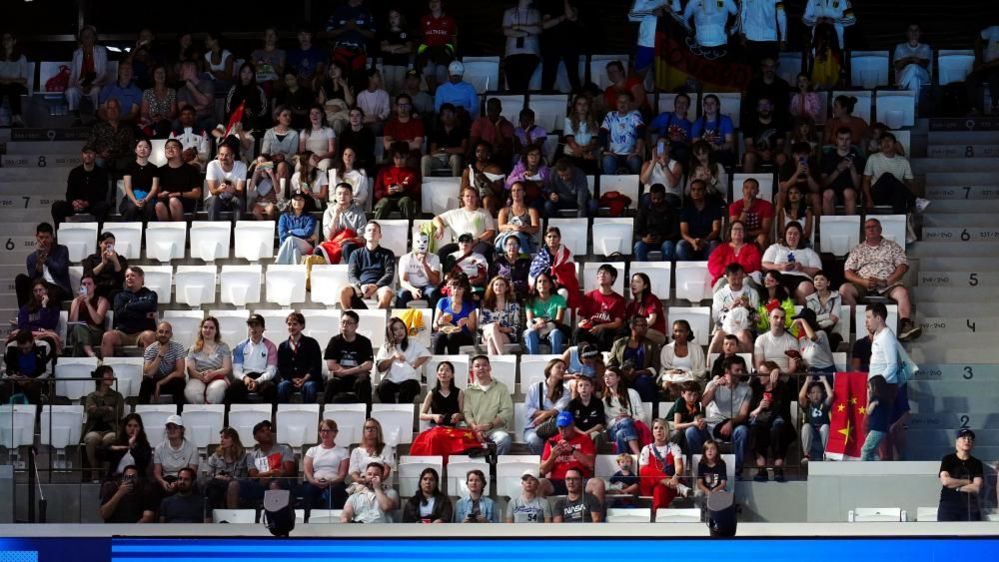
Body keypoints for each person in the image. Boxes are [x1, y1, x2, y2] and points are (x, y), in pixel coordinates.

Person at [839, 219, 921, 341]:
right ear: (864, 231)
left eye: (874, 226)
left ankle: (905, 325)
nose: (871, 229)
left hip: (887, 283)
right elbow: (847, 272)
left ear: (880, 229)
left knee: (902, 293)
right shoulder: (858, 249)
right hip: (864, 283)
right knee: (844, 290)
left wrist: (887, 281)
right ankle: (860, 323)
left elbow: (903, 266)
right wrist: (863, 282)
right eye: (868, 227)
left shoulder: (892, 246)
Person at [688, 356, 752, 477]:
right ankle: (700, 470)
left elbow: (743, 414)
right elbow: (704, 403)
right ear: (727, 371)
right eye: (737, 370)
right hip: (711, 428)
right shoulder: (713, 384)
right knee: (691, 431)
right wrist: (715, 386)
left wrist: (731, 423)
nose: (740, 373)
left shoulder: (747, 388)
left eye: (742, 370)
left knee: (743, 431)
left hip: (733, 427)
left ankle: (736, 472)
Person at [859, 303, 903, 460]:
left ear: (879, 317)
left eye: (869, 317)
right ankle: (876, 462)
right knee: (871, 427)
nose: (867, 321)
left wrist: (877, 388)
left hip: (882, 390)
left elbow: (892, 365)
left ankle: (879, 462)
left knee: (876, 427)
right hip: (876, 388)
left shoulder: (887, 337)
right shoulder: (878, 335)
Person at [747, 360, 795, 482]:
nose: (759, 376)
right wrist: (760, 407)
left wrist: (779, 373)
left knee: (778, 427)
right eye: (759, 373)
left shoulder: (782, 387)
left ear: (772, 374)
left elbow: (783, 412)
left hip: (778, 422)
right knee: (755, 428)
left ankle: (778, 468)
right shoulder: (756, 385)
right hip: (760, 422)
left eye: (763, 373)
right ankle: (761, 469)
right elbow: (751, 413)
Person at [232, 420, 297, 508]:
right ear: (256, 437)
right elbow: (253, 475)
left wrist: (267, 475)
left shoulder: (284, 449)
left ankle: (275, 517)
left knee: (274, 484)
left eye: (268, 430)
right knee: (234, 485)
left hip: (280, 482)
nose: (267, 432)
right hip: (259, 484)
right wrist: (273, 472)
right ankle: (233, 517)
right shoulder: (252, 455)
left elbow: (289, 471)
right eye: (262, 431)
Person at [463, 355, 515, 455]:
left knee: (504, 440)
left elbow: (506, 412)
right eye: (477, 366)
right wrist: (477, 429)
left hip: (495, 430)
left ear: (490, 368)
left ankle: (495, 468)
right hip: (473, 431)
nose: (481, 368)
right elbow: (467, 413)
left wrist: (489, 425)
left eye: (484, 365)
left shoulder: (501, 388)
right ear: (472, 369)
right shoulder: (468, 391)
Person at [340, 222, 396, 309]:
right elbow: (352, 274)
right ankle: (350, 317)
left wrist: (376, 286)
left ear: (380, 235)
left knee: (387, 293)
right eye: (369, 230)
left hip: (379, 287)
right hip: (360, 286)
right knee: (343, 291)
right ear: (365, 235)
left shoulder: (388, 254)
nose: (372, 232)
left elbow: (389, 274)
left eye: (375, 230)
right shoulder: (356, 254)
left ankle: (378, 319)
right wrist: (360, 285)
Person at [323, 310, 374, 405]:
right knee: (331, 383)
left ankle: (367, 416)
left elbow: (368, 364)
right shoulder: (334, 341)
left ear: (356, 326)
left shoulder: (364, 342)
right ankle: (326, 416)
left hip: (357, 378)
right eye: (343, 322)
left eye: (349, 323)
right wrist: (347, 372)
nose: (345, 325)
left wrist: (347, 372)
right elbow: (330, 364)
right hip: (340, 379)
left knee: (363, 383)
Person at [761, 221, 821, 302]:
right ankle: (778, 313)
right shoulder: (775, 248)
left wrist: (802, 268)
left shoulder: (808, 252)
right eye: (789, 233)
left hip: (801, 278)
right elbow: (764, 265)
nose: (792, 236)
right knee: (778, 288)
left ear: (800, 236)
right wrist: (780, 267)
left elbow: (818, 271)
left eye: (796, 234)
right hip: (780, 277)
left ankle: (803, 313)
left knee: (806, 287)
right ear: (785, 235)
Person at [83, 365, 125, 480]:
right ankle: (95, 471)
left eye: (112, 374)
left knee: (110, 439)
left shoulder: (117, 396)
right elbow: (91, 413)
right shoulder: (91, 396)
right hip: (95, 429)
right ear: (100, 377)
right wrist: (107, 409)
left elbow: (117, 414)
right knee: (91, 439)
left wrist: (98, 410)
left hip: (111, 429)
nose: (111, 377)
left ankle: (107, 472)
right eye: (108, 374)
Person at [376, 317, 431, 404]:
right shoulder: (385, 347)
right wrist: (393, 357)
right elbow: (380, 368)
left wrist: (414, 366)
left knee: (408, 388)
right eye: (396, 329)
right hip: (390, 380)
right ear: (390, 332)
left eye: (401, 328)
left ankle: (404, 414)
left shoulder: (413, 343)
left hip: (409, 380)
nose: (400, 331)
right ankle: (391, 412)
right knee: (383, 387)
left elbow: (425, 355)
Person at [52, 145, 110, 226]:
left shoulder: (101, 173)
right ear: (82, 155)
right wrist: (74, 202)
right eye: (85, 153)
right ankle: (59, 235)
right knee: (57, 206)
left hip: (92, 205)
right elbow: (69, 193)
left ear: (95, 155)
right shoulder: (74, 172)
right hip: (75, 205)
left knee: (103, 206)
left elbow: (102, 194)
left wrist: (87, 203)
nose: (88, 156)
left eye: (90, 153)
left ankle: (99, 236)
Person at [433, 186, 497, 260]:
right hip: (459, 244)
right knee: (441, 253)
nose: (470, 198)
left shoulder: (484, 213)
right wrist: (440, 226)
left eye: (472, 196)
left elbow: (490, 231)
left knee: (480, 253)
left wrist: (477, 240)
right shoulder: (455, 213)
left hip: (477, 243)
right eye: (467, 196)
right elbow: (436, 218)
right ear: (463, 198)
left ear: (476, 198)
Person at [228, 314, 279, 404]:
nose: (253, 328)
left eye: (257, 325)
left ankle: (270, 416)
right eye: (251, 325)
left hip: (262, 377)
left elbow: (271, 371)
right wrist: (245, 378)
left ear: (263, 329)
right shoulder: (240, 346)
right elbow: (236, 370)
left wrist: (258, 381)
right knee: (233, 387)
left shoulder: (271, 346)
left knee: (270, 388)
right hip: (245, 377)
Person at [608, 315, 662, 402]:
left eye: (646, 325)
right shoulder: (619, 343)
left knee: (643, 381)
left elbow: (655, 367)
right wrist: (620, 372)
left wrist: (637, 373)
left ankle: (647, 410)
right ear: (632, 326)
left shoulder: (651, 345)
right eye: (642, 325)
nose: (645, 328)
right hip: (621, 375)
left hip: (641, 375)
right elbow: (611, 363)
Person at [301, 419, 350, 514]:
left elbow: (342, 475)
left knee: (335, 491)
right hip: (315, 482)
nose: (325, 433)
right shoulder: (312, 450)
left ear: (334, 433)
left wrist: (329, 482)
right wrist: (314, 481)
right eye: (322, 430)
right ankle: (308, 518)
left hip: (335, 483)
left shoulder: (343, 451)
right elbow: (308, 472)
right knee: (308, 490)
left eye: (328, 431)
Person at [573, 264, 626, 351]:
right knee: (578, 332)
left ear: (613, 278)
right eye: (600, 273)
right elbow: (581, 320)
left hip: (606, 330)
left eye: (606, 273)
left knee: (604, 332)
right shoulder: (588, 297)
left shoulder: (619, 300)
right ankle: (580, 357)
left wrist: (601, 326)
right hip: (590, 328)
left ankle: (602, 360)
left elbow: (618, 323)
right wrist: (582, 323)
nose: (602, 275)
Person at [862, 132, 917, 214]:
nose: (886, 143)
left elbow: (911, 183)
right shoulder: (873, 158)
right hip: (877, 194)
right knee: (887, 176)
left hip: (894, 195)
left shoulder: (903, 161)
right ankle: (915, 200)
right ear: (880, 144)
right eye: (883, 141)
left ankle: (901, 221)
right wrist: (868, 199)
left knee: (899, 192)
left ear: (895, 144)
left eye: (889, 140)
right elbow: (866, 181)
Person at [639, 418, 687, 510]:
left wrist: (675, 478)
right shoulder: (646, 449)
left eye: (662, 428)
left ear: (666, 430)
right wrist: (668, 481)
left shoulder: (674, 447)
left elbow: (679, 467)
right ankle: (678, 487)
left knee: (660, 488)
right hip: (650, 486)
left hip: (672, 485)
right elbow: (642, 473)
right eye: (656, 428)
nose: (658, 430)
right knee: (644, 470)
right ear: (652, 431)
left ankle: (658, 516)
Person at [937, 429, 984, 521]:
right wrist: (967, 481)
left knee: (973, 534)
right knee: (946, 534)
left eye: (970, 438)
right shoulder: (948, 459)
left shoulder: (976, 463)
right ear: (957, 441)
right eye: (964, 438)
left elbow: (977, 487)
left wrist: (957, 488)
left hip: (970, 506)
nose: (967, 440)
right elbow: (945, 481)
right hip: (948, 505)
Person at [183, 317, 232, 405]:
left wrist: (212, 374)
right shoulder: (194, 348)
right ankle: (201, 413)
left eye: (211, 328)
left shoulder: (223, 347)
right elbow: (191, 370)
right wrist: (201, 376)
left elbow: (226, 368)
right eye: (205, 327)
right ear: (201, 329)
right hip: (198, 377)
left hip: (217, 376)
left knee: (215, 392)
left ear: (216, 330)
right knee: (192, 393)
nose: (207, 330)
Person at [276, 312, 323, 404]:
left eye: (295, 324)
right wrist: (292, 378)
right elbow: (281, 367)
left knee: (310, 387)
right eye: (289, 324)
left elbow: (316, 365)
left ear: (302, 326)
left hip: (308, 379)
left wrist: (305, 379)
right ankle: (283, 415)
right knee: (282, 387)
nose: (291, 327)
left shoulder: (312, 343)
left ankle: (309, 415)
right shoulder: (283, 346)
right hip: (290, 380)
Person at [529, 226, 581, 308]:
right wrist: (549, 282)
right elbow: (535, 272)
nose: (552, 239)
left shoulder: (566, 255)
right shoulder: (540, 255)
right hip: (543, 284)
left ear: (559, 239)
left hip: (561, 286)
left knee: (562, 293)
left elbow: (569, 273)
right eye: (549, 236)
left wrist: (558, 280)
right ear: (545, 238)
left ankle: (556, 319)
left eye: (555, 236)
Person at [65, 26, 109, 120]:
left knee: (96, 90)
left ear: (94, 37)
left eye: (90, 35)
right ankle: (76, 114)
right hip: (80, 85)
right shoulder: (77, 53)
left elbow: (104, 73)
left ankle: (97, 113)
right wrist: (69, 86)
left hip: (96, 83)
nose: (87, 38)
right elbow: (73, 74)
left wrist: (91, 85)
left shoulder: (101, 51)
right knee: (70, 92)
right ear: (81, 38)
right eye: (84, 36)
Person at [136, 322, 185, 405]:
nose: (163, 334)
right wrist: (160, 355)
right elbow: (149, 373)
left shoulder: (178, 347)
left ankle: (179, 414)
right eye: (161, 331)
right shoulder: (150, 349)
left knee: (179, 382)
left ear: (171, 334)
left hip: (170, 381)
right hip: (154, 380)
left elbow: (180, 372)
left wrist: (160, 383)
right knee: (146, 382)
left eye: (167, 332)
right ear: (156, 333)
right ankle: (142, 414)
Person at [318, 182, 367, 265]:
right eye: (339, 194)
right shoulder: (329, 212)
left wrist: (348, 240)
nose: (342, 196)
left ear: (351, 196)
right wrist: (335, 216)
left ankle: (352, 274)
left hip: (352, 243)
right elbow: (328, 236)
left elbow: (362, 238)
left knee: (347, 247)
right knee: (318, 250)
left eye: (346, 194)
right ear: (335, 196)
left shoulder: (358, 212)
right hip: (333, 244)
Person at [202, 426, 248, 512]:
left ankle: (230, 517)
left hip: (235, 486)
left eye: (226, 438)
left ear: (234, 440)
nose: (222, 440)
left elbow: (244, 478)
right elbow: (208, 476)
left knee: (229, 489)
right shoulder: (215, 456)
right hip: (217, 485)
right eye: (221, 437)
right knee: (213, 490)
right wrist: (217, 476)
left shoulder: (243, 457)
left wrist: (229, 479)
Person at [154, 139, 202, 221]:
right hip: (166, 199)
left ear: (180, 151)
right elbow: (156, 193)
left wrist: (179, 194)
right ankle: (166, 232)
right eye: (167, 148)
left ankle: (180, 231)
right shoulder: (160, 171)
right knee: (159, 205)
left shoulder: (191, 170)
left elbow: (197, 193)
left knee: (173, 201)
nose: (170, 149)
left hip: (185, 200)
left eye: (173, 147)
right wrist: (161, 195)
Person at [820, 126, 863, 216]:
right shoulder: (828, 157)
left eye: (847, 139)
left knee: (848, 192)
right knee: (827, 193)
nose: (844, 142)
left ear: (851, 140)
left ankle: (851, 228)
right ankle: (829, 228)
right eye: (841, 139)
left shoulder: (857, 157)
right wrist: (838, 170)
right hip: (833, 193)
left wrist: (852, 169)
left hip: (851, 193)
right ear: (836, 140)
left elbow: (857, 186)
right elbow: (823, 184)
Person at [152, 415, 198, 497]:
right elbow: (157, 472)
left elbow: (192, 472)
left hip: (184, 479)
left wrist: (177, 482)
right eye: (169, 428)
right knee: (153, 488)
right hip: (166, 479)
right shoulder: (159, 448)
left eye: (175, 427)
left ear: (182, 430)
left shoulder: (192, 448)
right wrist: (162, 482)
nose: (172, 430)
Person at [602, 368, 646, 454]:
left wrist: (630, 417)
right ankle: (638, 454)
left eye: (611, 375)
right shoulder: (604, 401)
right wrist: (616, 420)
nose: (607, 378)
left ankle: (622, 461)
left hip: (632, 427)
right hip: (613, 430)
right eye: (605, 376)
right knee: (624, 423)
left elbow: (643, 417)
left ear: (618, 378)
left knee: (621, 434)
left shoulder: (632, 393)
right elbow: (606, 425)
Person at [600, 92, 645, 175]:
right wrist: (604, 151)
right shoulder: (611, 115)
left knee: (636, 162)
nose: (622, 104)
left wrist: (637, 150)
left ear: (630, 103)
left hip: (630, 154)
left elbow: (641, 131)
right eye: (620, 102)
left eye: (625, 102)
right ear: (616, 103)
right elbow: (602, 132)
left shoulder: (634, 114)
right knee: (607, 161)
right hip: (614, 154)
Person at [523, 271, 568, 355]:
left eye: (545, 281)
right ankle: (533, 362)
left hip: (553, 328)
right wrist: (537, 323)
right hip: (537, 329)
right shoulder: (530, 301)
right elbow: (530, 321)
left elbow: (559, 320)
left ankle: (555, 363)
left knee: (555, 333)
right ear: (536, 286)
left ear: (551, 285)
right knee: (530, 333)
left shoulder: (559, 299)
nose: (542, 284)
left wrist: (543, 321)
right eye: (539, 281)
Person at [677, 179, 723, 261]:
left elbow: (716, 231)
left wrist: (704, 240)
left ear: (705, 191)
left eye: (699, 189)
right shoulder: (686, 208)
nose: (696, 192)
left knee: (714, 245)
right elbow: (684, 232)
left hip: (708, 240)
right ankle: (688, 270)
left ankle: (710, 270)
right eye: (693, 189)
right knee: (680, 246)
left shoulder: (714, 207)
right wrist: (693, 241)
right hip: (691, 242)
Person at [741, 94, 788, 173]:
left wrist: (770, 153)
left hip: (774, 154)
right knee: (748, 157)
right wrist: (761, 153)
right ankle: (748, 183)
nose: (764, 108)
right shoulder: (750, 123)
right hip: (756, 154)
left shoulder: (779, 123)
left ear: (772, 107)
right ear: (757, 108)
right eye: (761, 105)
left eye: (767, 105)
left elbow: (780, 145)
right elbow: (749, 146)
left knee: (782, 157)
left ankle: (784, 184)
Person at [419, 0, 459, 94]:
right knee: (429, 74)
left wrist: (454, 55)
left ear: (441, 3)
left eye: (436, 1)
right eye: (431, 2)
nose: (433, 4)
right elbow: (421, 38)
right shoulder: (424, 19)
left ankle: (440, 96)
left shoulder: (450, 20)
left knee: (441, 74)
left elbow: (454, 39)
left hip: (443, 51)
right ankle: (433, 96)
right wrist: (420, 53)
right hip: (428, 52)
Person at [502, 0, 542, 92]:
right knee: (513, 84)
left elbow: (538, 29)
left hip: (531, 52)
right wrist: (527, 33)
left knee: (528, 83)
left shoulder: (535, 12)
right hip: (512, 53)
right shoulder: (509, 12)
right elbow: (506, 31)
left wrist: (518, 27)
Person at [461, 138, 508, 217]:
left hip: (492, 198)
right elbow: (463, 190)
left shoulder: (495, 169)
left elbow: (499, 191)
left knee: (487, 200)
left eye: (483, 151)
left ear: (489, 154)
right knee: (469, 199)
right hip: (473, 197)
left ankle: (488, 225)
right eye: (478, 151)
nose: (480, 154)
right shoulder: (469, 170)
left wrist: (486, 180)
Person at [432, 273, 478, 354]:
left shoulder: (470, 304)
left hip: (464, 336)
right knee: (439, 336)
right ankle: (439, 361)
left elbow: (472, 329)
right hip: (445, 332)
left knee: (453, 336)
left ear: (464, 289)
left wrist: (467, 321)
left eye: (459, 288)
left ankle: (453, 362)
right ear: (451, 288)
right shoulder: (443, 302)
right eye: (454, 288)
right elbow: (435, 326)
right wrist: (440, 322)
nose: (456, 291)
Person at [634, 184, 681, 261]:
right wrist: (644, 239)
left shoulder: (672, 211)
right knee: (638, 246)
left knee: (668, 246)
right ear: (650, 197)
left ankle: (667, 270)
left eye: (659, 198)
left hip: (664, 240)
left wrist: (662, 238)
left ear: (664, 196)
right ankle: (642, 271)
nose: (656, 201)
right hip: (647, 241)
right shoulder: (643, 210)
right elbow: (636, 232)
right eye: (654, 198)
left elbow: (676, 232)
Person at [660, 321, 707, 397]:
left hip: (691, 378)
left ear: (687, 332)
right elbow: (663, 371)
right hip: (673, 378)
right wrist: (673, 372)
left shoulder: (697, 348)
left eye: (681, 331)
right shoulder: (666, 349)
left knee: (687, 386)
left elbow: (701, 371)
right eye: (675, 331)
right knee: (668, 384)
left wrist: (687, 373)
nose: (678, 334)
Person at [373, 144, 420, 220]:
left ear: (407, 157)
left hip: (404, 199)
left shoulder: (413, 173)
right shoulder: (384, 171)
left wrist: (404, 190)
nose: (399, 161)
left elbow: (417, 194)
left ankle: (409, 229)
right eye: (396, 158)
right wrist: (387, 192)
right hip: (387, 198)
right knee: (384, 202)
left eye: (402, 157)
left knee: (405, 201)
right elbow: (377, 193)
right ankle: (375, 228)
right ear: (393, 158)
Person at [396, 232, 442, 308]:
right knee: (401, 295)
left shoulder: (434, 258)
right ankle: (399, 319)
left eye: (424, 242)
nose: (421, 244)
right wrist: (413, 290)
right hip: (410, 286)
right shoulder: (405, 258)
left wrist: (424, 264)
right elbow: (403, 281)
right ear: (413, 243)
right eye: (418, 241)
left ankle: (434, 319)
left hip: (427, 286)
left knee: (433, 293)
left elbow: (435, 281)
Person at [496, 180, 542, 255]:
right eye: (513, 190)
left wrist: (523, 229)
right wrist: (513, 227)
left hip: (526, 240)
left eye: (518, 190)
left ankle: (523, 258)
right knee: (514, 237)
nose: (516, 193)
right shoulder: (504, 211)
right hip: (507, 239)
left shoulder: (531, 211)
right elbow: (500, 227)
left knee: (519, 236)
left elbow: (536, 228)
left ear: (524, 193)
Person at [119, 138, 160, 222]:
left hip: (148, 198)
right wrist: (135, 201)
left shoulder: (154, 168)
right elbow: (128, 187)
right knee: (131, 207)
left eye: (146, 147)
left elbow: (154, 188)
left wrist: (145, 200)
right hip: (132, 198)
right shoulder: (129, 166)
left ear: (150, 150)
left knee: (149, 208)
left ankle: (146, 233)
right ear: (135, 150)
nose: (142, 149)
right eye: (140, 146)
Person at [13, 280, 61, 353]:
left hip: (46, 336)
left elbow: (49, 325)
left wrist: (44, 306)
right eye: (35, 291)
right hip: (28, 334)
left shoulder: (53, 308)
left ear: (46, 291)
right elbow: (22, 326)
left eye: (40, 290)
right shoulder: (25, 308)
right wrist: (39, 329)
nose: (38, 293)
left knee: (51, 339)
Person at [67, 275, 109, 358]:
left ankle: (77, 363)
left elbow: (98, 321)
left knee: (78, 340)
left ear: (95, 286)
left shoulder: (102, 301)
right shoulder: (76, 301)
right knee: (77, 328)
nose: (86, 286)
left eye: (89, 284)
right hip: (78, 331)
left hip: (95, 332)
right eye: (84, 284)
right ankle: (91, 354)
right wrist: (78, 304)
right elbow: (72, 323)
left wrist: (88, 304)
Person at [422, 103, 468, 177]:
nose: (447, 117)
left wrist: (443, 149)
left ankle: (456, 185)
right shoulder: (436, 132)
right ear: (441, 117)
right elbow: (433, 152)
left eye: (449, 113)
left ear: (455, 115)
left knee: (455, 158)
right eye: (444, 114)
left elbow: (462, 150)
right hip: (438, 160)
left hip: (454, 160)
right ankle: (426, 185)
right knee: (425, 159)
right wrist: (452, 150)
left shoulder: (462, 131)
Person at [479, 276, 522, 355]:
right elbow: (481, 325)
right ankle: (502, 356)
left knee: (491, 339)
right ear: (492, 287)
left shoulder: (514, 306)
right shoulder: (486, 305)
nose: (498, 287)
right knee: (492, 327)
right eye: (496, 285)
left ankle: (494, 362)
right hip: (487, 332)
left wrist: (501, 329)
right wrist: (494, 327)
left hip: (506, 335)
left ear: (506, 288)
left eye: (502, 285)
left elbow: (516, 327)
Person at [204, 143, 247, 222]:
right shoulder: (212, 165)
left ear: (233, 156)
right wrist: (220, 190)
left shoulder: (241, 166)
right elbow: (213, 191)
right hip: (215, 200)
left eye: (227, 155)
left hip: (232, 200)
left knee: (239, 200)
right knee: (214, 199)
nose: (223, 157)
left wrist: (234, 191)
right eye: (221, 154)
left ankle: (237, 232)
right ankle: (214, 231)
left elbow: (240, 192)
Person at [691, 95, 736, 167]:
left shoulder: (726, 120)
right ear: (703, 106)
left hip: (721, 151)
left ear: (718, 106)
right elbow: (695, 145)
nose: (709, 106)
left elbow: (729, 143)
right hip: (703, 153)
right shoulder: (697, 123)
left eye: (712, 103)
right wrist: (706, 151)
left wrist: (719, 147)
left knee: (719, 156)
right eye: (706, 103)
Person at [729, 178, 774, 248]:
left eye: (752, 188)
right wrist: (745, 209)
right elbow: (735, 228)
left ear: (757, 191)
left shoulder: (766, 205)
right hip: (740, 236)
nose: (749, 191)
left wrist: (748, 233)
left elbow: (765, 229)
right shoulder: (734, 206)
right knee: (736, 237)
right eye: (746, 188)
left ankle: (763, 259)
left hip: (757, 236)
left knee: (762, 238)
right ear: (742, 190)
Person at [104, 413, 152, 479]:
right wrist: (113, 448)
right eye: (129, 426)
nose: (132, 428)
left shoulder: (144, 446)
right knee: (108, 485)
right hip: (116, 478)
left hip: (136, 479)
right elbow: (98, 453)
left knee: (129, 480)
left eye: (135, 426)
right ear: (125, 427)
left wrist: (132, 447)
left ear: (140, 428)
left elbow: (143, 465)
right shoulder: (118, 443)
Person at [275, 191, 317, 265]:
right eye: (295, 199)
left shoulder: (311, 217)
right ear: (291, 201)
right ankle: (294, 274)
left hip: (305, 246)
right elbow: (282, 235)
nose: (298, 201)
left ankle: (279, 265)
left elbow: (307, 232)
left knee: (290, 239)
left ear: (305, 202)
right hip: (288, 245)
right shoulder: (284, 217)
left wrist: (290, 232)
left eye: (300, 199)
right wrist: (306, 237)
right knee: (295, 251)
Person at [419, 361, 464, 429]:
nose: (443, 373)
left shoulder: (459, 392)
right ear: (437, 374)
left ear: (452, 375)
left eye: (447, 370)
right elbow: (421, 415)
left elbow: (464, 415)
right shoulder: (432, 393)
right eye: (441, 370)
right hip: (436, 429)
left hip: (453, 429)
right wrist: (433, 416)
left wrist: (458, 416)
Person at [350, 418, 397, 482]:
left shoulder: (386, 448)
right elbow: (354, 472)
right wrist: (362, 481)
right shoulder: (356, 451)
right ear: (364, 431)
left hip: (381, 484)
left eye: (373, 428)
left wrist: (376, 482)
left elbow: (386, 471)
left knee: (391, 493)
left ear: (378, 431)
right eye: (367, 428)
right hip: (362, 484)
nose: (370, 430)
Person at [378, 8, 413, 95]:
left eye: (396, 16)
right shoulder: (385, 32)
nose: (393, 19)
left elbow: (408, 49)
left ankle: (398, 104)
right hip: (388, 62)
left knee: (399, 84)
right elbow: (383, 47)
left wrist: (393, 49)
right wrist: (401, 45)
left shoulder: (406, 32)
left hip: (402, 63)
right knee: (388, 85)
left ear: (401, 17)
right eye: (391, 17)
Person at [798, 376, 834, 462]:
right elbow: (801, 396)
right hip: (812, 431)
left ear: (822, 394)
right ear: (809, 395)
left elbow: (831, 396)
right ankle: (807, 455)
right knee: (806, 426)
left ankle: (826, 454)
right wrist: (807, 381)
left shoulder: (824, 404)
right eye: (813, 392)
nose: (816, 395)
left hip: (823, 430)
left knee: (825, 426)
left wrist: (825, 380)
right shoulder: (808, 405)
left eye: (818, 392)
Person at [563, 95, 600, 173]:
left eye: (585, 104)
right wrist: (583, 154)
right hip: (573, 151)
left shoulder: (594, 122)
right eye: (579, 104)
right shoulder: (568, 121)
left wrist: (585, 151)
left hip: (588, 150)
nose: (582, 106)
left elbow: (593, 142)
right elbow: (570, 141)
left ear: (588, 107)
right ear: (575, 107)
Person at [967, 25, 999, 115]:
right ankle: (974, 109)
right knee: (971, 79)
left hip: (993, 67)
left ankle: (995, 107)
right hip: (986, 66)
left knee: (994, 76)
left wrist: (984, 65)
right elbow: (979, 38)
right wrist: (978, 59)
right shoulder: (995, 29)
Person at [490, 233, 533, 301]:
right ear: (505, 247)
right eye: (509, 244)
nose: (512, 247)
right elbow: (492, 280)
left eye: (515, 245)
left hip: (521, 294)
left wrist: (515, 285)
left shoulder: (526, 261)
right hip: (502, 293)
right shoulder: (498, 262)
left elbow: (530, 280)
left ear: (519, 247)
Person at [175, 60, 215, 132]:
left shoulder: (207, 84)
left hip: (205, 117)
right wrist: (203, 107)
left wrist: (192, 88)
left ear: (191, 69)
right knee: (176, 124)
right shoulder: (181, 89)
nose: (180, 72)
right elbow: (183, 109)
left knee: (207, 123)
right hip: (187, 118)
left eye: (182, 69)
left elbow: (205, 102)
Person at [0, 32, 29, 126]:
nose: (5, 41)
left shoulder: (21, 58)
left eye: (8, 39)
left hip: (16, 84)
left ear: (14, 41)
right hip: (1, 83)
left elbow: (24, 79)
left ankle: (16, 117)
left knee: (13, 88)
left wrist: (11, 80)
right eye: (4, 39)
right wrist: (2, 80)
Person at [893, 24, 931, 94]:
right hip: (903, 75)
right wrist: (911, 59)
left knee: (913, 67)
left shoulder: (925, 47)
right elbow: (898, 66)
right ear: (907, 33)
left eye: (916, 30)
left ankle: (900, 90)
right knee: (914, 79)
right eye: (911, 30)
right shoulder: (900, 47)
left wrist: (907, 60)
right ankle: (915, 104)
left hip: (923, 76)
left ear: (920, 33)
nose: (914, 32)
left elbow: (925, 65)